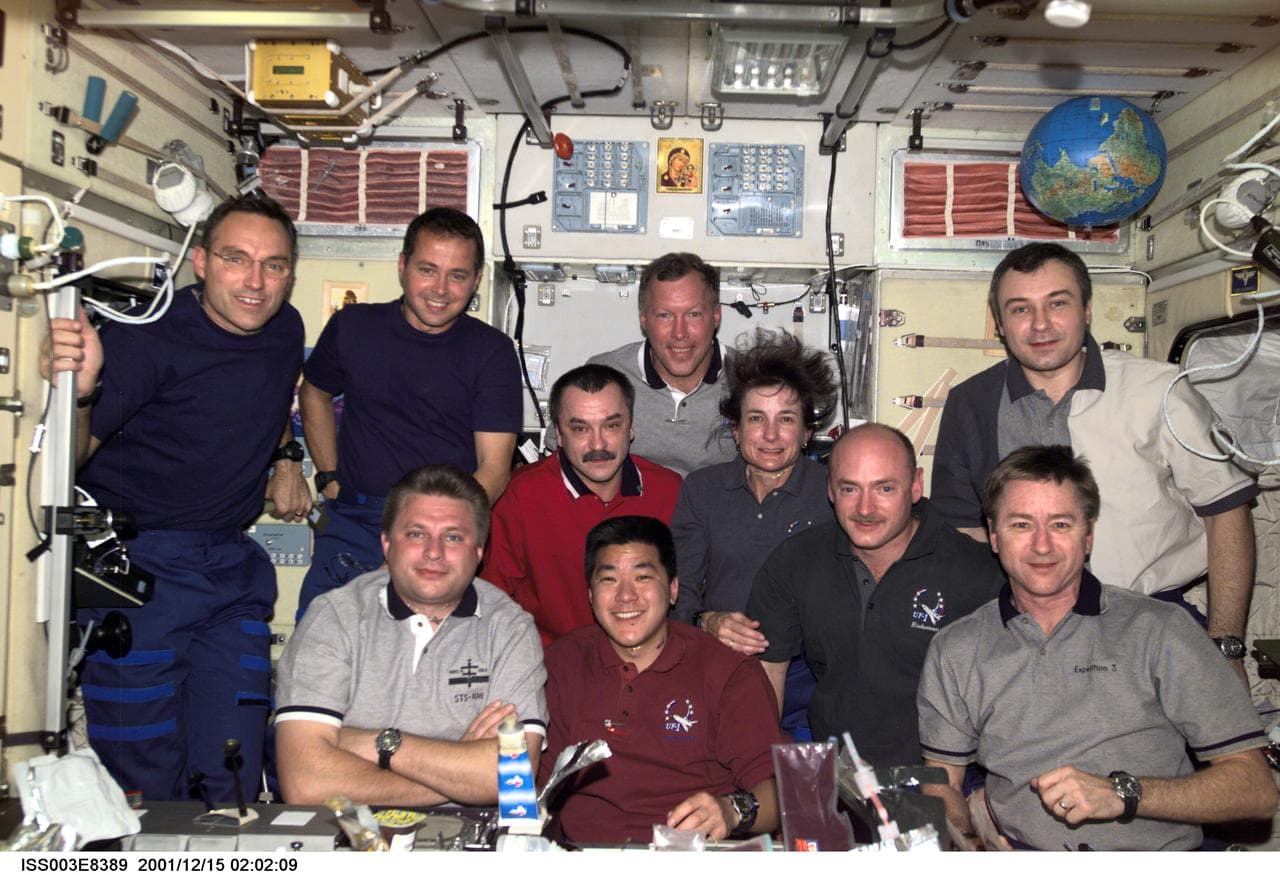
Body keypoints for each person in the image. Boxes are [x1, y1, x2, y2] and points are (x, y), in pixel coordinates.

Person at [43, 194, 307, 802]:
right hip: (141, 569)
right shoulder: (147, 340)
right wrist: (82, 391)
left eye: (274, 265)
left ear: (290, 273)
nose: (255, 281)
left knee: (233, 768)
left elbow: (268, 402)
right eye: (237, 260)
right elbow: (72, 457)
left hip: (229, 569)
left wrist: (286, 456)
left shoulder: (284, 329)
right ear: (201, 262)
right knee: (146, 773)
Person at [918, 446, 1277, 851]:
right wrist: (969, 838)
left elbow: (1256, 790)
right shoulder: (956, 648)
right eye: (1021, 525)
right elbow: (941, 781)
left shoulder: (1159, 630)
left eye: (1060, 524)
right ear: (994, 535)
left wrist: (1124, 793)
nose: (1041, 546)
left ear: (1088, 535)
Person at [931, 242, 1258, 660]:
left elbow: (1226, 513)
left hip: (1151, 619)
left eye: (1057, 304)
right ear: (999, 323)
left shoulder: (1160, 391)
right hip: (1025, 630)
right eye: (1020, 309)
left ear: (1086, 311)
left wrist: (1225, 646)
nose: (1040, 325)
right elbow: (965, 533)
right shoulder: (970, 403)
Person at [296, 207, 521, 619]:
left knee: (426, 670)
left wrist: (430, 536)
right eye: (427, 269)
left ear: (476, 280)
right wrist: (328, 477)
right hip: (355, 522)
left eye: (457, 275)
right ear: (402, 267)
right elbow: (313, 393)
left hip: (443, 535)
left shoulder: (491, 352)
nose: (440, 289)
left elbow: (494, 469)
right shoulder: (353, 326)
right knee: (319, 659)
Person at [274, 465, 547, 806]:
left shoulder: (509, 629)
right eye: (417, 534)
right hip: (349, 840)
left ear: (478, 552)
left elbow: (512, 779)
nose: (434, 552)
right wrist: (462, 771)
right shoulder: (333, 618)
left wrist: (386, 744)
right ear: (386, 543)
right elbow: (307, 785)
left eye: (453, 537)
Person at [746, 424, 1004, 767]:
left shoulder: (978, 571)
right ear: (831, 490)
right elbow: (765, 677)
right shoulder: (796, 561)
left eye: (884, 488)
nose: (865, 509)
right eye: (850, 488)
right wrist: (764, 778)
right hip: (835, 775)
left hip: (945, 780)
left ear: (915, 486)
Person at [541, 516, 785, 844]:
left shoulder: (726, 672)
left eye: (642, 577)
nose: (626, 596)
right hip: (581, 854)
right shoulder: (560, 664)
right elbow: (531, 786)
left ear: (672, 590)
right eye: (609, 580)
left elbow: (781, 790)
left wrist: (731, 810)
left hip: (692, 855)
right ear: (589, 593)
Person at [671, 328, 836, 739]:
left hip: (811, 679)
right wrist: (708, 621)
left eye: (787, 420)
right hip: (717, 664)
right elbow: (679, 591)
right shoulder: (702, 490)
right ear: (735, 430)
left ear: (807, 432)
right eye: (756, 419)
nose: (770, 435)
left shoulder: (834, 493)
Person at [483, 364, 682, 644]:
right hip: (550, 669)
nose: (597, 444)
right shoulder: (520, 495)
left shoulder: (670, 491)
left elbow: (687, 593)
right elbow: (491, 599)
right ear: (559, 436)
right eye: (580, 429)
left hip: (649, 664)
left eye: (611, 425)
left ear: (631, 428)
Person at [585, 252, 736, 475]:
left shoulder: (750, 380)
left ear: (716, 316)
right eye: (665, 316)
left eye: (693, 314)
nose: (679, 333)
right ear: (643, 319)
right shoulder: (605, 378)